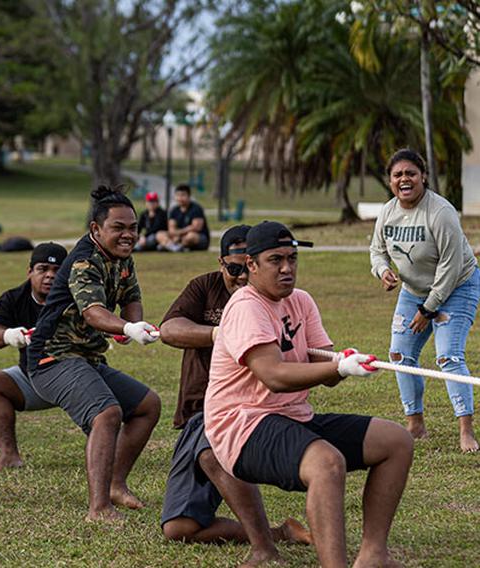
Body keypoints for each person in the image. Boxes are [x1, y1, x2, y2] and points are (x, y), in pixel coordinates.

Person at [205, 220, 414, 567]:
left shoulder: (300, 301)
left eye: (292, 258)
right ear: (251, 265)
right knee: (326, 463)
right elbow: (274, 375)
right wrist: (338, 368)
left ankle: (374, 555)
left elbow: (327, 370)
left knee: (396, 441)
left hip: (292, 417)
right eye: (276, 260)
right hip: (241, 427)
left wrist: (345, 363)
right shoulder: (245, 306)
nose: (287, 268)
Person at [158, 225, 311, 565]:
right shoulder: (205, 287)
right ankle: (278, 533)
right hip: (199, 409)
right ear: (222, 264)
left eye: (249, 265)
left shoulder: (273, 301)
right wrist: (222, 334)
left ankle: (264, 549)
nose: (242, 276)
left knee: (212, 453)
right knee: (179, 529)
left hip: (241, 412)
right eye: (234, 268)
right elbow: (168, 330)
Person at [27, 185, 162, 522]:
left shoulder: (122, 258)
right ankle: (98, 507)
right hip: (52, 358)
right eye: (118, 227)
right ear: (96, 230)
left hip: (86, 358)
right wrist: (124, 329)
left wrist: (133, 323)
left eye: (132, 227)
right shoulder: (84, 261)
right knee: (107, 413)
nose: (128, 234)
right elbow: (93, 313)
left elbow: (131, 297)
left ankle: (116, 484)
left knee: (147, 406)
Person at [370, 148, 479, 453]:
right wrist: (383, 271)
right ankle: (415, 424)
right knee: (399, 354)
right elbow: (377, 250)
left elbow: (451, 265)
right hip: (413, 291)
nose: (404, 179)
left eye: (410, 173)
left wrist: (428, 309)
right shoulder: (388, 212)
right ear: (390, 181)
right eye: (397, 175)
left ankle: (466, 430)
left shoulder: (441, 212)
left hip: (457, 287)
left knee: (448, 357)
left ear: (423, 177)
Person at [0, 242, 68, 472]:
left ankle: (109, 455)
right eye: (42, 269)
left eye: (58, 271)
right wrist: (8, 335)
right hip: (33, 377)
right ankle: (9, 456)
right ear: (29, 272)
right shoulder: (13, 298)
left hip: (76, 378)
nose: (50, 276)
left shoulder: (75, 299)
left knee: (107, 408)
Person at [156, 184, 209, 252]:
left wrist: (179, 234)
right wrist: (176, 235)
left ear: (189, 196)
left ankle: (169, 245)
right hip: (179, 236)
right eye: (178, 195)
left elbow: (196, 227)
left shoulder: (196, 209)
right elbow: (171, 228)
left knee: (190, 236)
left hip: (198, 237)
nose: (180, 198)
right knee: (159, 234)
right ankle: (175, 247)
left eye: (183, 195)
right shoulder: (174, 210)